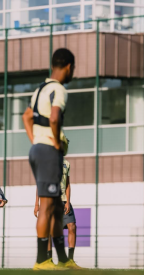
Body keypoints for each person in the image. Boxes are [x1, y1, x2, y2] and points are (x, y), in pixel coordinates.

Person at [22, 48, 76, 270]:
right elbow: (54, 118)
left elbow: (26, 117)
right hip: (47, 152)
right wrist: (54, 142)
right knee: (46, 207)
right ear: (69, 67)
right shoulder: (59, 89)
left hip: (38, 149)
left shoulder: (39, 90)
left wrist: (36, 139)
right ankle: (41, 260)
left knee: (54, 207)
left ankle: (63, 260)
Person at [34, 139, 80, 268]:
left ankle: (69, 260)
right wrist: (37, 204)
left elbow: (68, 184)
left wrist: (67, 202)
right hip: (49, 200)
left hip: (64, 200)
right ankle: (47, 260)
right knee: (48, 230)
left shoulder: (66, 163)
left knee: (72, 226)